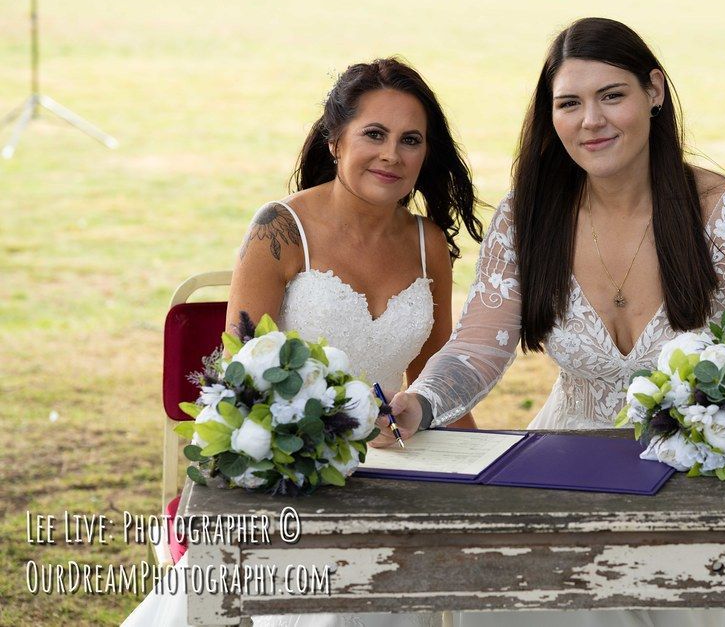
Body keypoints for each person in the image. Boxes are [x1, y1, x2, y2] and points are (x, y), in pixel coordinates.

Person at [375, 18, 725, 627]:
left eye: (612, 96)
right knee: (506, 593)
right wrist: (419, 402)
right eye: (569, 103)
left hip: (700, 479)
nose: (590, 121)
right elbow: (477, 347)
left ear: (654, 91)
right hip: (564, 467)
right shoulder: (528, 216)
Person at [123, 57, 482, 627]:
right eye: (374, 134)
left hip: (396, 464)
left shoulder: (428, 243)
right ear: (336, 141)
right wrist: (323, 442)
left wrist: (483, 466)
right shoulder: (280, 229)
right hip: (292, 465)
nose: (392, 154)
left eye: (410, 140)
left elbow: (434, 375)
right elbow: (242, 378)